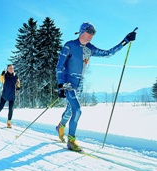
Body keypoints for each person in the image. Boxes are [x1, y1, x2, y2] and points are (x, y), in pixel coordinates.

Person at [56, 22, 136, 152]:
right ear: (82, 31)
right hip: (68, 84)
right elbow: (59, 66)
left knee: (70, 109)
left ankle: (60, 126)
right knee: (77, 110)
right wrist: (60, 85)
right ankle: (71, 141)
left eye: (93, 33)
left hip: (80, 84)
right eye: (89, 32)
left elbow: (108, 53)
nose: (91, 35)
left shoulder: (90, 48)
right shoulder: (69, 46)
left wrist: (125, 41)